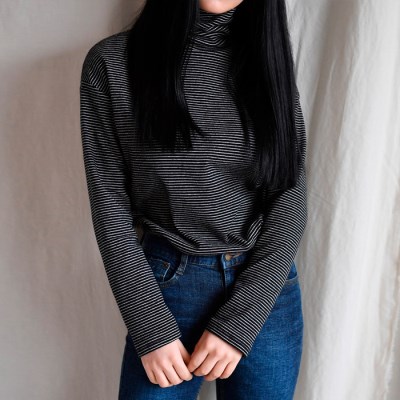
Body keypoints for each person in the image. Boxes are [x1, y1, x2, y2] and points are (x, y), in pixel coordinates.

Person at [79, 0, 308, 398]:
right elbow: (110, 207)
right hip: (167, 287)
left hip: (265, 287)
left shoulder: (267, 59)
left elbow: (289, 195)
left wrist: (241, 320)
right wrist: (150, 326)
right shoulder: (112, 63)